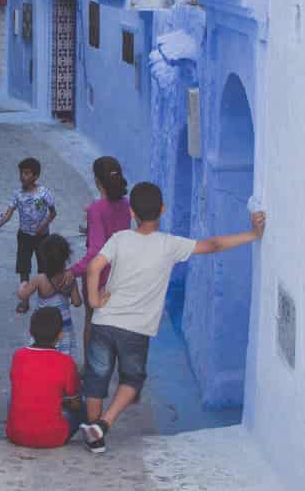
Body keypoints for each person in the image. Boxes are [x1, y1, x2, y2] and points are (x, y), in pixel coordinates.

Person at [80, 182, 267, 454]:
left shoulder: (120, 239)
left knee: (96, 378)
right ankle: (104, 424)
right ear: (163, 210)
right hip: (135, 329)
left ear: (132, 212)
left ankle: (93, 430)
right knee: (131, 380)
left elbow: (94, 267)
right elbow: (213, 245)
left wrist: (95, 300)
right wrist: (252, 234)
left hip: (104, 321)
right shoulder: (169, 245)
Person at [70, 156, 132, 352]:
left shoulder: (96, 210)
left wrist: (73, 271)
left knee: (92, 322)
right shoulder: (127, 205)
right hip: (120, 275)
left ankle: (91, 369)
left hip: (98, 279)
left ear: (97, 182)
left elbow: (96, 251)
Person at [6, 307, 87, 449]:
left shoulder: (18, 356)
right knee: (85, 404)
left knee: (13, 398)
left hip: (16, 435)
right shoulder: (66, 362)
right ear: (61, 335)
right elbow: (75, 403)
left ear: (31, 332)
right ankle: (93, 437)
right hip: (52, 437)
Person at [0, 157, 57, 313]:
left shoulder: (44, 193)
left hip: (42, 237)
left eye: (27, 173)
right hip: (24, 236)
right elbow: (8, 214)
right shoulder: (17, 194)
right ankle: (25, 300)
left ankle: (44, 300)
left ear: (36, 176)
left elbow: (53, 213)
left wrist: (44, 224)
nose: (23, 176)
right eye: (21, 173)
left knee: (43, 268)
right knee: (24, 269)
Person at [16, 234, 82, 360]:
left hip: (43, 327)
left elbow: (22, 295)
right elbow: (77, 302)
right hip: (64, 328)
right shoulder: (69, 278)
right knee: (63, 358)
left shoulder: (41, 279)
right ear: (66, 257)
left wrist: (23, 284)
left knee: (41, 357)